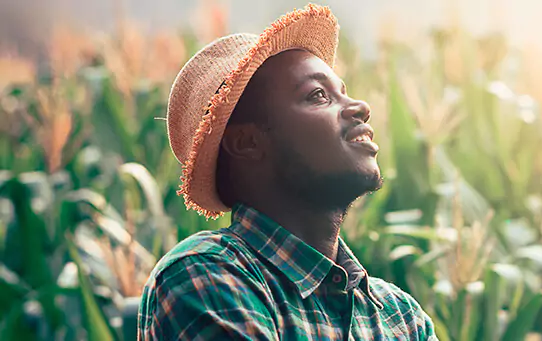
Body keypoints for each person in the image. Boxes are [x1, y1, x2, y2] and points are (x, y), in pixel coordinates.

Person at [137, 4, 437, 340]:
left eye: (344, 91)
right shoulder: (205, 275)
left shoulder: (401, 316)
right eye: (319, 95)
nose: (360, 108)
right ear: (247, 142)